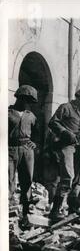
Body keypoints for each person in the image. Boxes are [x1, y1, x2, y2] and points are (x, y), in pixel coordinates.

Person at [48, 87, 80, 222]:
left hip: (79, 148)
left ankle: (72, 209)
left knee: (77, 179)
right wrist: (65, 133)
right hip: (66, 146)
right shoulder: (66, 107)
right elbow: (53, 122)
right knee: (67, 177)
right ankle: (55, 211)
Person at [9, 85, 39, 228]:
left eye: (30, 101)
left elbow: (38, 133)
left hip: (27, 149)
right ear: (19, 98)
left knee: (27, 180)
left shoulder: (31, 116)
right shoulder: (7, 112)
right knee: (8, 181)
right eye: (26, 100)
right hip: (10, 148)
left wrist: (34, 143)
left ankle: (26, 213)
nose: (27, 104)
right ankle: (8, 212)